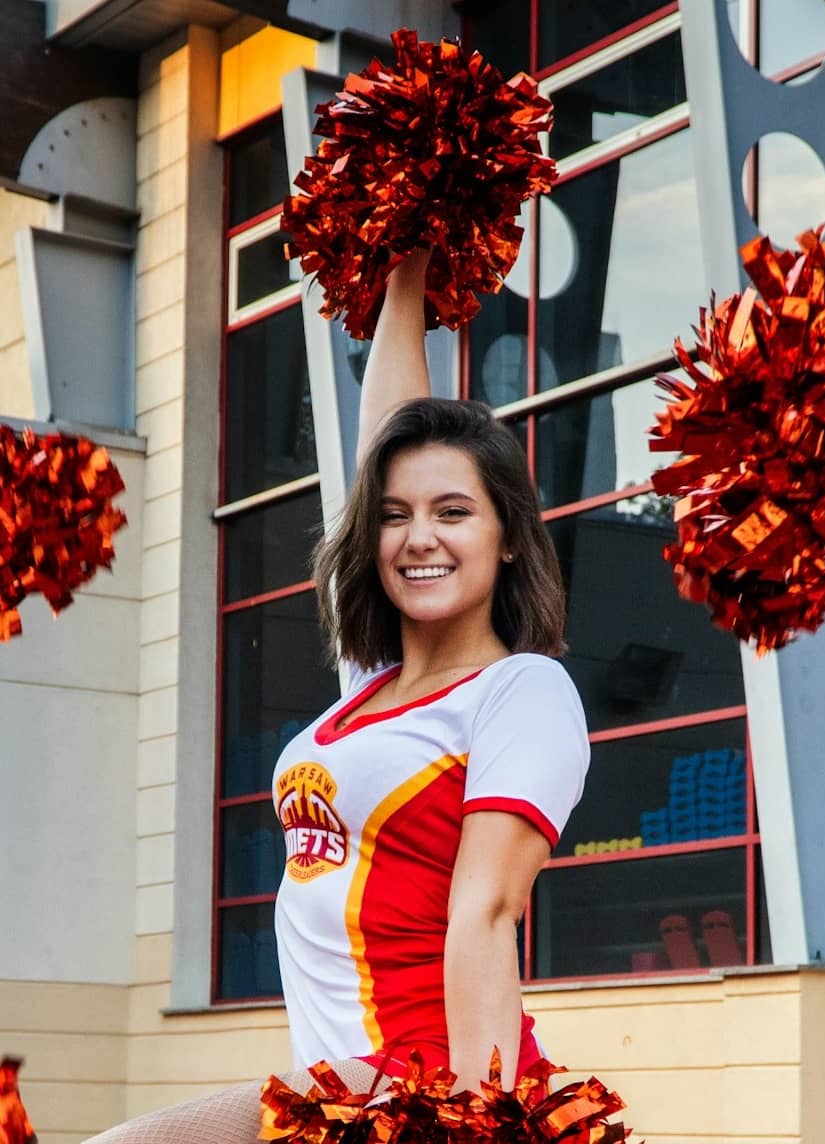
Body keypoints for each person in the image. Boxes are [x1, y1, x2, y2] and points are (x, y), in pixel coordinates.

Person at [85, 250, 589, 1143]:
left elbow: (488, 910)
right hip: (337, 1096)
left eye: (454, 512)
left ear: (509, 537)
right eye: (395, 515)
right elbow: (380, 437)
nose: (418, 537)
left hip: (421, 1082)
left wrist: (472, 1122)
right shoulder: (371, 684)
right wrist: (409, 265)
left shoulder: (523, 690)